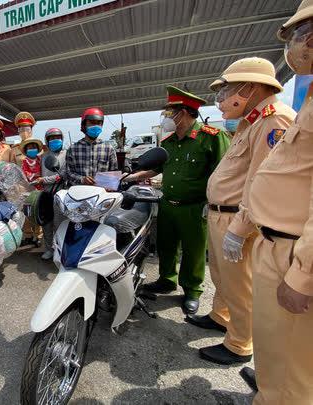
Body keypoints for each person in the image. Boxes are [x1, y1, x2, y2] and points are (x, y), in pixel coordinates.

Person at [185, 58, 296, 366]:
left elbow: (261, 181)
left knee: (239, 286)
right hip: (223, 214)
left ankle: (239, 344)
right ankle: (221, 316)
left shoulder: (274, 121)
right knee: (222, 278)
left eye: (230, 90)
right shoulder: (252, 122)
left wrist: (239, 227)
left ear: (252, 87)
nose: (222, 99)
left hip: (238, 219)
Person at [236, 2, 313, 402]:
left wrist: (303, 275)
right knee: (275, 343)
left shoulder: (277, 117)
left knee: (295, 364)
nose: (298, 43)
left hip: (293, 248)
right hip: (274, 239)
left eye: (301, 32)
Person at [129, 86, 230, 314]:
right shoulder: (169, 142)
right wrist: (132, 177)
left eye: (168, 114)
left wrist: (215, 205)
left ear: (183, 113)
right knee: (166, 246)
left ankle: (192, 290)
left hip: (195, 207)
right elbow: (157, 168)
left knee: (193, 251)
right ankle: (167, 280)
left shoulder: (211, 137)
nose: (166, 119)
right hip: (168, 204)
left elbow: (224, 174)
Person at [66, 107, 118, 185]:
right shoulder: (73, 149)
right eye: (92, 122)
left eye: (98, 123)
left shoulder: (109, 149)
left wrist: (110, 183)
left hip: (102, 194)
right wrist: (82, 179)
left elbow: (114, 173)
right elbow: (68, 173)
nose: (96, 126)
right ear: (84, 125)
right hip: (79, 193)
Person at [40, 128, 67, 260]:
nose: (55, 140)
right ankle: (48, 249)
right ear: (47, 141)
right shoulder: (43, 156)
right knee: (47, 223)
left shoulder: (67, 155)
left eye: (58, 137)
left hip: (60, 193)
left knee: (59, 223)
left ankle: (59, 249)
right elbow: (39, 174)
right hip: (45, 194)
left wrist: (44, 180)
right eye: (51, 138)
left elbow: (62, 175)